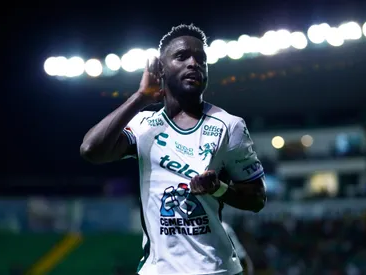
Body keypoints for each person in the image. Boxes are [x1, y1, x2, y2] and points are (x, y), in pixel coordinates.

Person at [80, 24, 266, 275]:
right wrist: (140, 98)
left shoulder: (229, 125)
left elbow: (256, 199)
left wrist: (219, 188)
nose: (194, 63)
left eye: (201, 59)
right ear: (161, 69)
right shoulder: (143, 124)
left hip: (216, 270)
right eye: (182, 57)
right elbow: (91, 150)